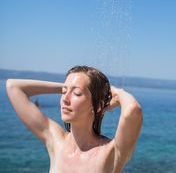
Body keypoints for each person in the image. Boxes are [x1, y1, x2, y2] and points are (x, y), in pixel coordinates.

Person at [6, 65, 143, 172]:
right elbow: (13, 86)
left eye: (77, 93)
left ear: (99, 105)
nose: (65, 99)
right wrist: (70, 87)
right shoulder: (56, 142)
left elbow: (133, 110)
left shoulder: (110, 153)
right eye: (64, 92)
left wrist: (117, 94)